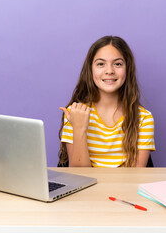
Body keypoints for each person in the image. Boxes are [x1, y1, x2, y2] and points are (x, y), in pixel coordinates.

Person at [58, 36, 155, 167]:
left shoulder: (143, 118)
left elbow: (135, 178)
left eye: (118, 64)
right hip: (87, 188)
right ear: (90, 69)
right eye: (100, 64)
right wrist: (79, 128)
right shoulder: (75, 114)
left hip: (125, 188)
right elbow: (78, 176)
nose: (109, 71)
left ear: (127, 69)